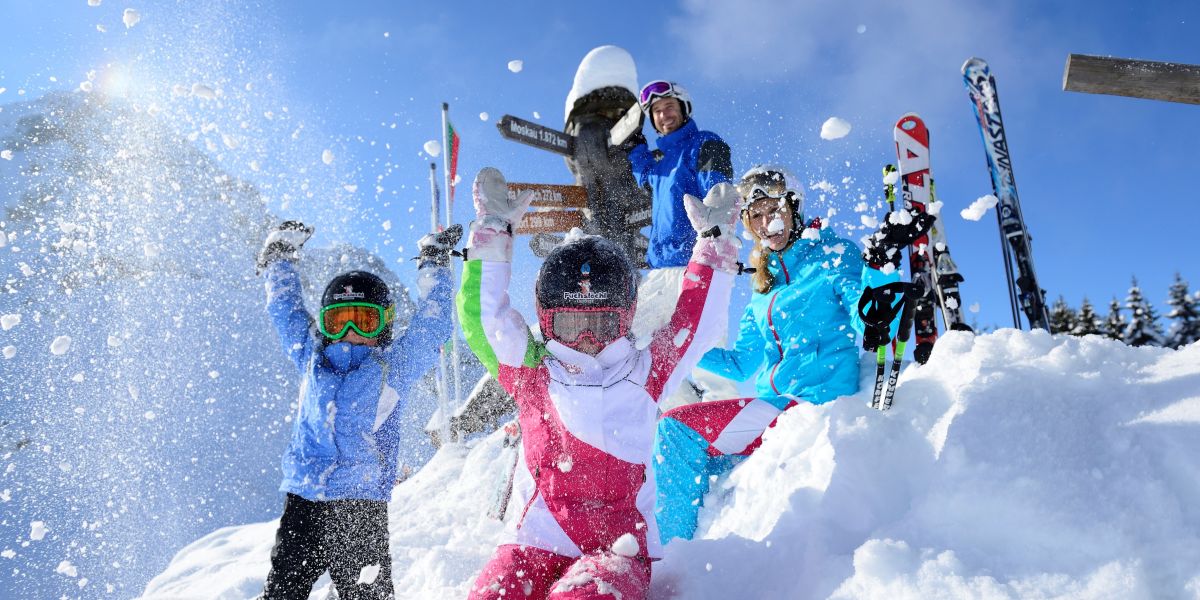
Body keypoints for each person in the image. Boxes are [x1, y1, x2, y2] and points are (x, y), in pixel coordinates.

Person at [459, 167, 741, 600]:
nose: (587, 341)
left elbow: (696, 323)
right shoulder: (532, 372)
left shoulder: (647, 372)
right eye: (572, 325)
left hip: (617, 549)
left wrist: (715, 245)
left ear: (626, 318)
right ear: (548, 320)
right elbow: (485, 320)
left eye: (602, 324)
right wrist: (493, 233)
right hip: (533, 541)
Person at [654, 166, 920, 543]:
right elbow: (741, 363)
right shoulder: (763, 288)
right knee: (696, 460)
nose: (767, 223)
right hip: (772, 407)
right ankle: (690, 551)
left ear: (793, 207)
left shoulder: (831, 254)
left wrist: (878, 269)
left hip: (812, 402)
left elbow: (874, 327)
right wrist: (678, 347)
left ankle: (670, 558)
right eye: (756, 216)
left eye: (773, 210)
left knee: (675, 432)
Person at [255, 220, 461, 600]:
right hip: (305, 500)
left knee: (369, 595)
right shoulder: (310, 356)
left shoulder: (394, 366)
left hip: (360, 507)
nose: (350, 330)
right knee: (282, 593)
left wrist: (434, 263)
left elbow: (432, 328)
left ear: (383, 324)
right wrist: (278, 259)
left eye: (364, 319)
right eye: (339, 319)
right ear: (325, 324)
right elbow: (285, 310)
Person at [624, 80, 734, 269]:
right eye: (656, 111)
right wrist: (636, 147)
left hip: (695, 261)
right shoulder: (662, 166)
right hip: (658, 266)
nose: (663, 115)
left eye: (669, 107)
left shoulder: (704, 142)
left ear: (684, 108)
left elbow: (719, 192)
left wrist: (716, 238)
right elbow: (645, 177)